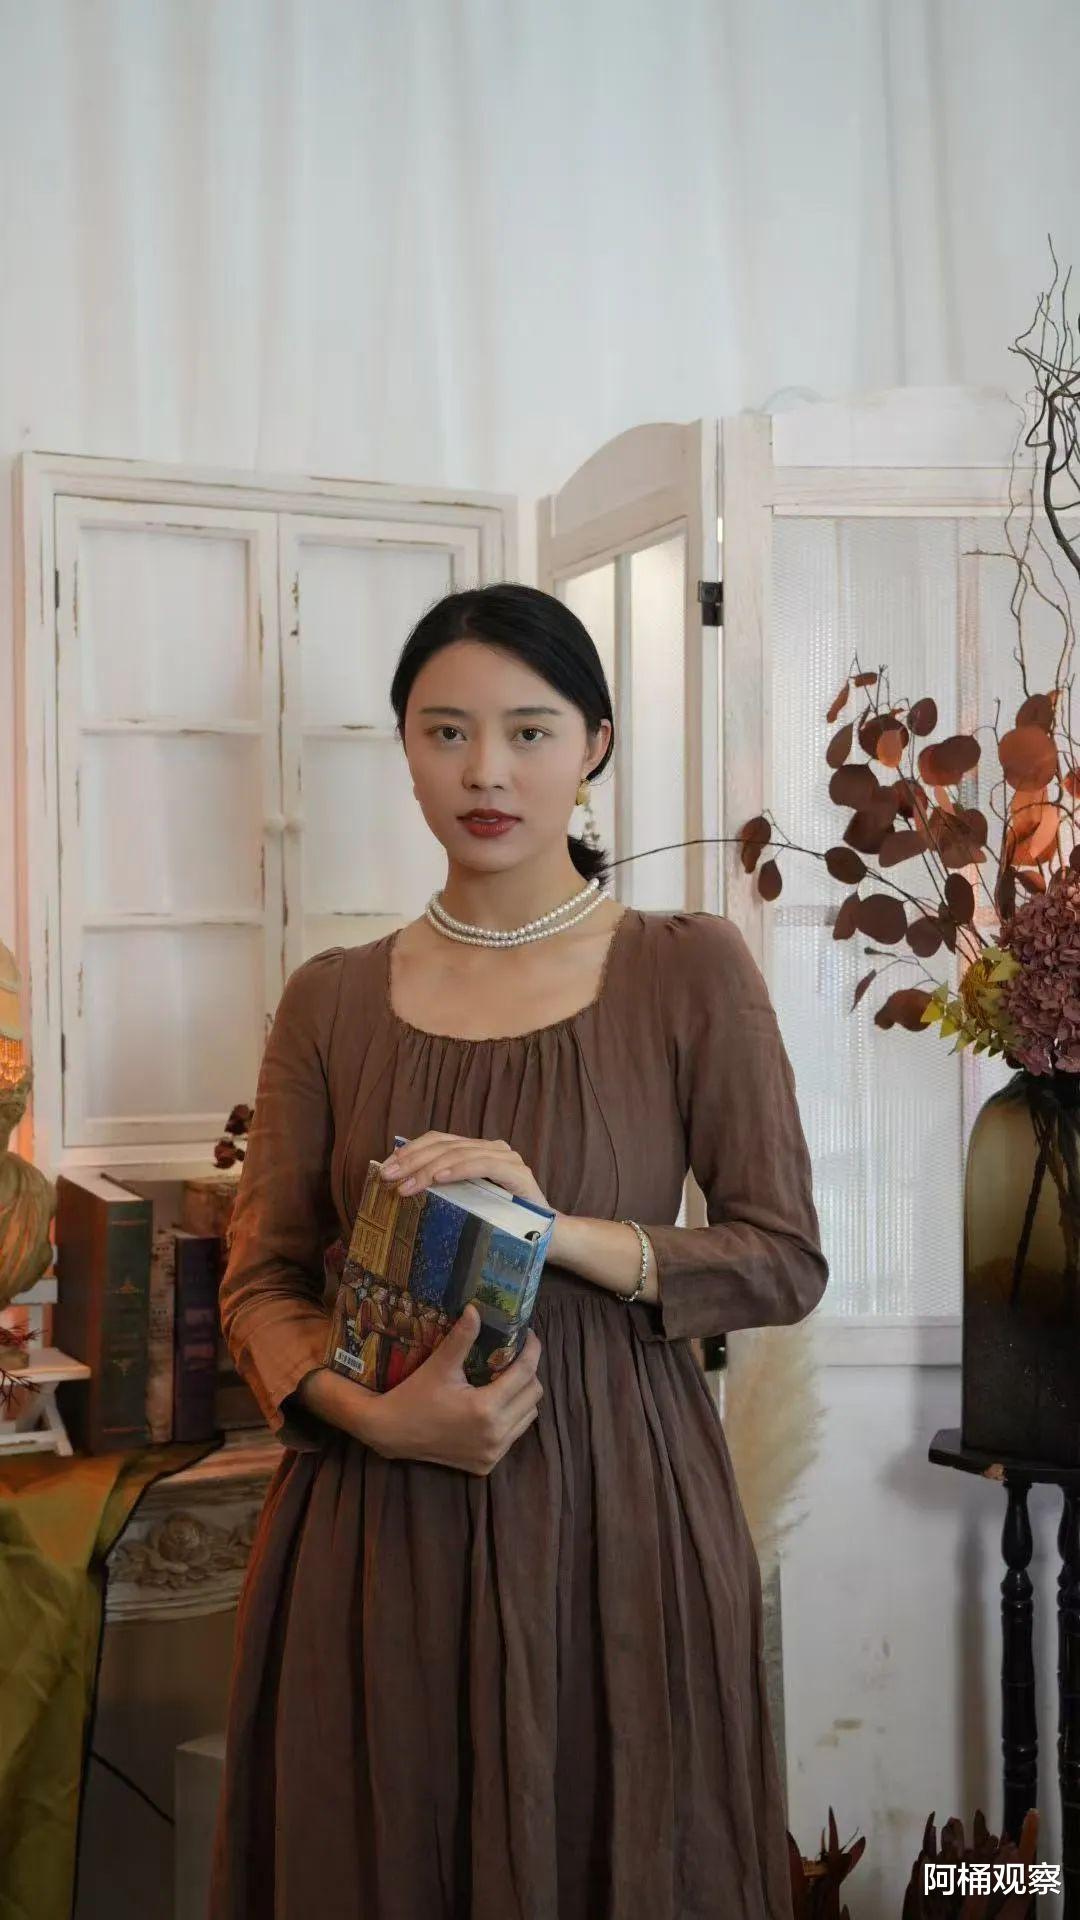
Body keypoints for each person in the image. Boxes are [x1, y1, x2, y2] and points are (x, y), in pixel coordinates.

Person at [209, 582, 829, 1920]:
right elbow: (262, 1279)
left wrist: (554, 1230)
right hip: (372, 1520)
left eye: (529, 731)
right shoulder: (330, 999)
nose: (485, 770)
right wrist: (376, 1418)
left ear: (595, 745)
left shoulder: (688, 968)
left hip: (620, 1507)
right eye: (446, 732)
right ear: (407, 750)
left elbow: (781, 1257)